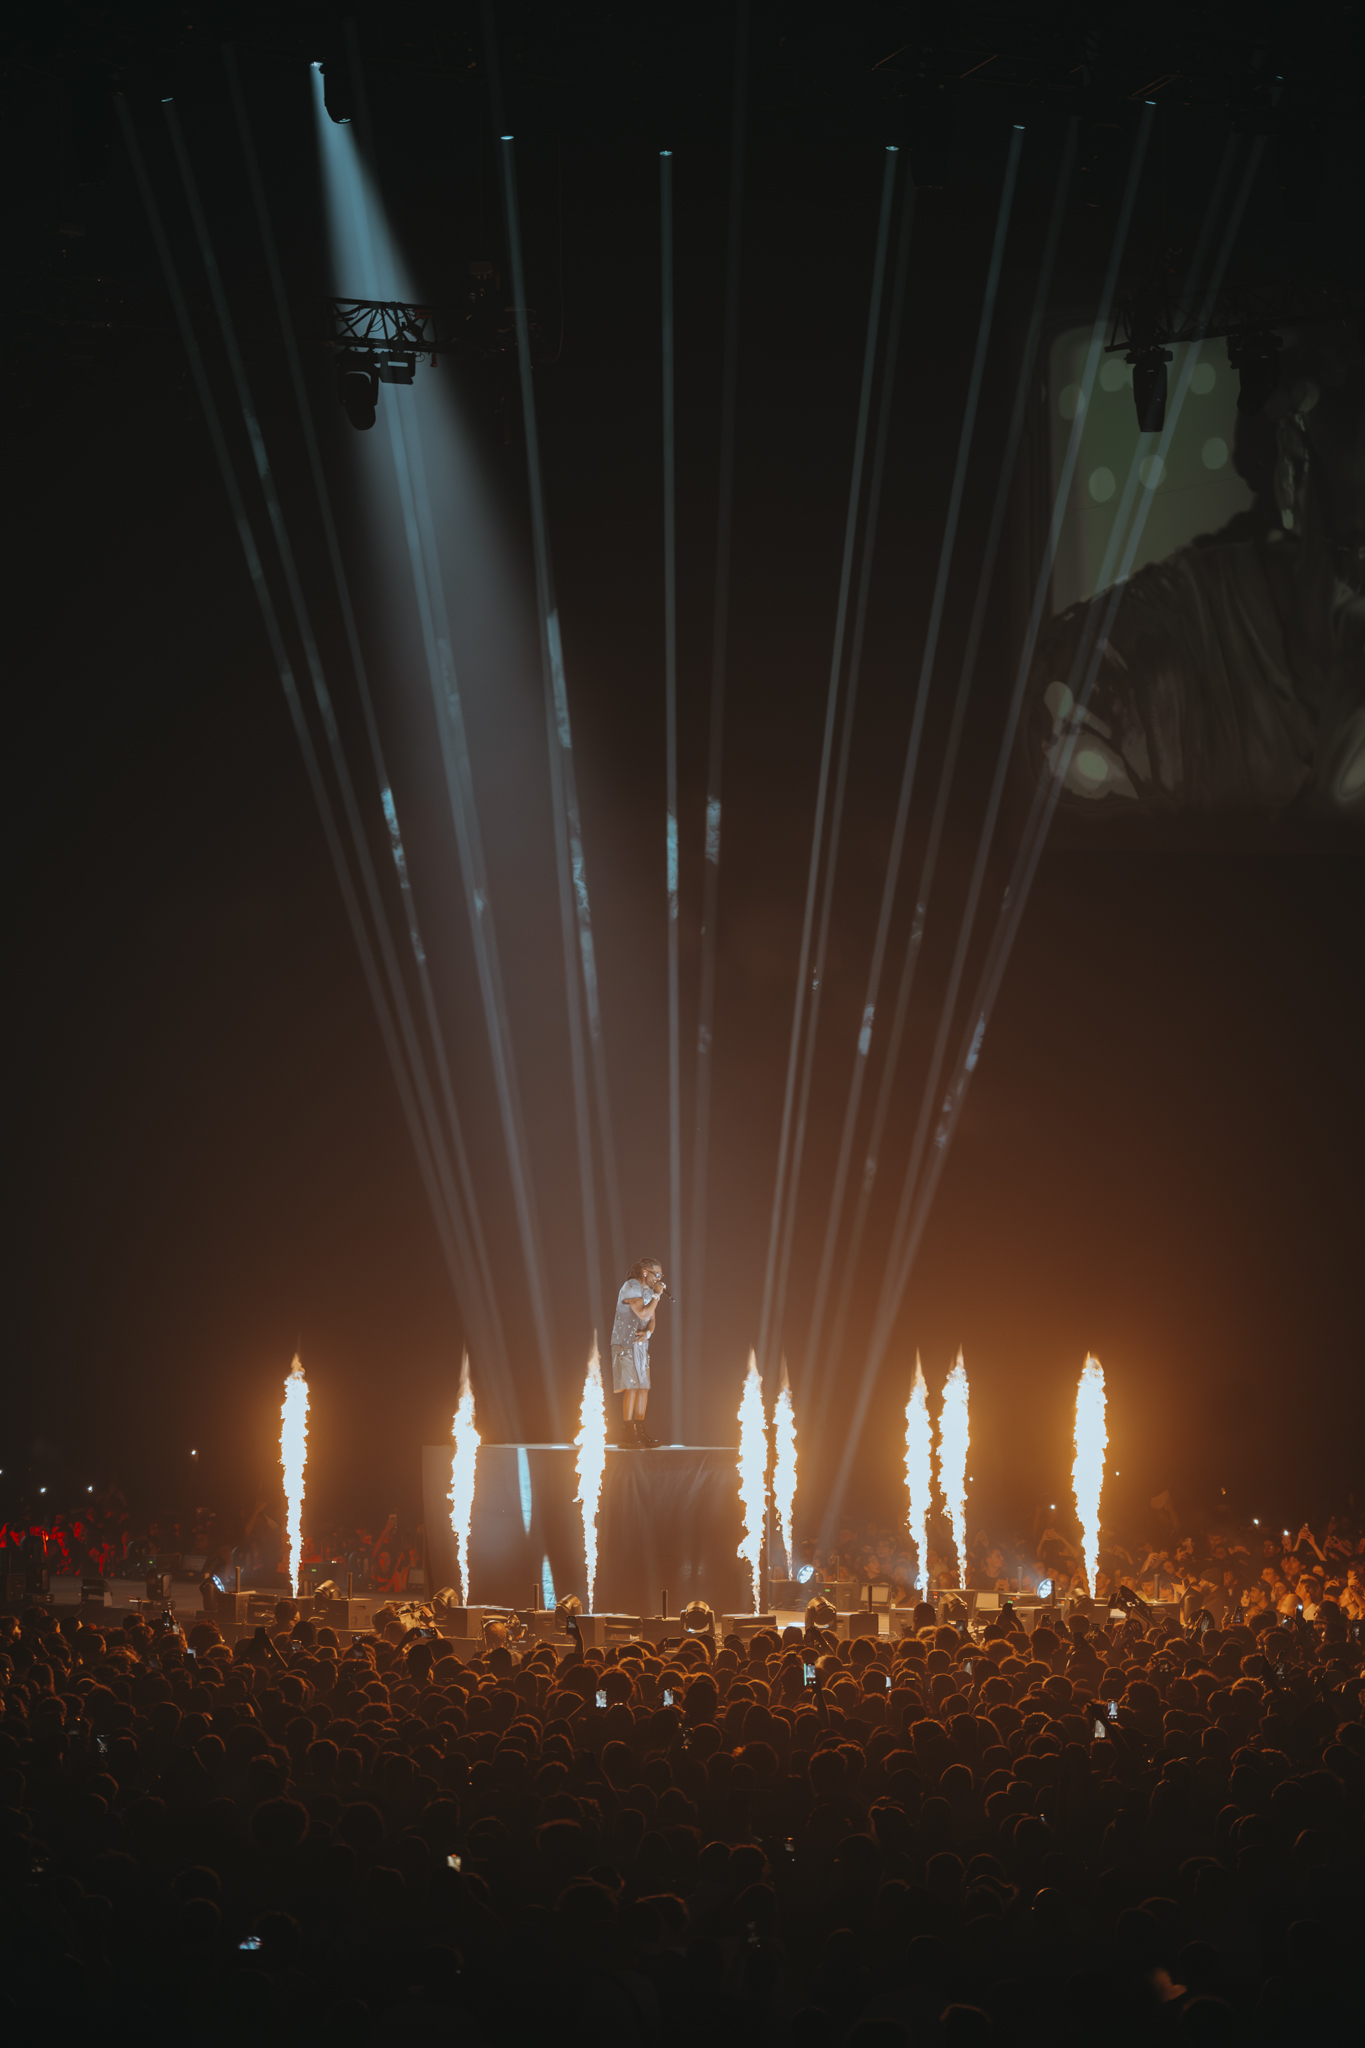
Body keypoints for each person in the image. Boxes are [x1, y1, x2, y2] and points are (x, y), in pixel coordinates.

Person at [610, 1257, 666, 1448]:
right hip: (625, 1343)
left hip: (641, 1345)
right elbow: (642, 1313)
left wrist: (648, 1333)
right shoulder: (631, 1286)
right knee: (631, 1386)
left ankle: (641, 1431)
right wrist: (657, 1296)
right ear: (645, 1272)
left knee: (643, 1387)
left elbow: (651, 1319)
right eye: (656, 1274)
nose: (659, 1278)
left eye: (661, 1275)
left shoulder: (650, 1291)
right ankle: (628, 1433)